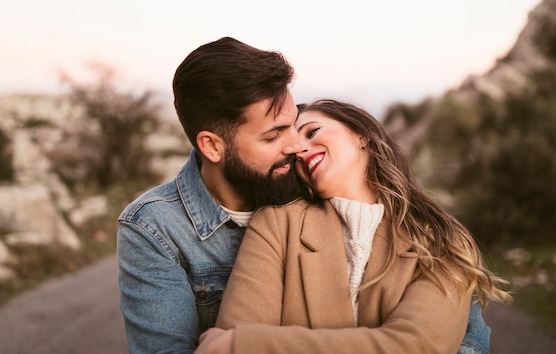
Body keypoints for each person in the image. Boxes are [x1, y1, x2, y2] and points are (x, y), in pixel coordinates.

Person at [198, 99, 511, 354]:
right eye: (294, 148)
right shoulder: (278, 223)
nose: (301, 150)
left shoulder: (441, 239)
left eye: (311, 131)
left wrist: (245, 344)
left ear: (361, 134)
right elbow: (232, 330)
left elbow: (416, 346)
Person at [117, 37, 304, 353]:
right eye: (273, 136)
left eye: (295, 124)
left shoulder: (310, 184)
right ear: (213, 146)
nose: (297, 145)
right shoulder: (153, 227)